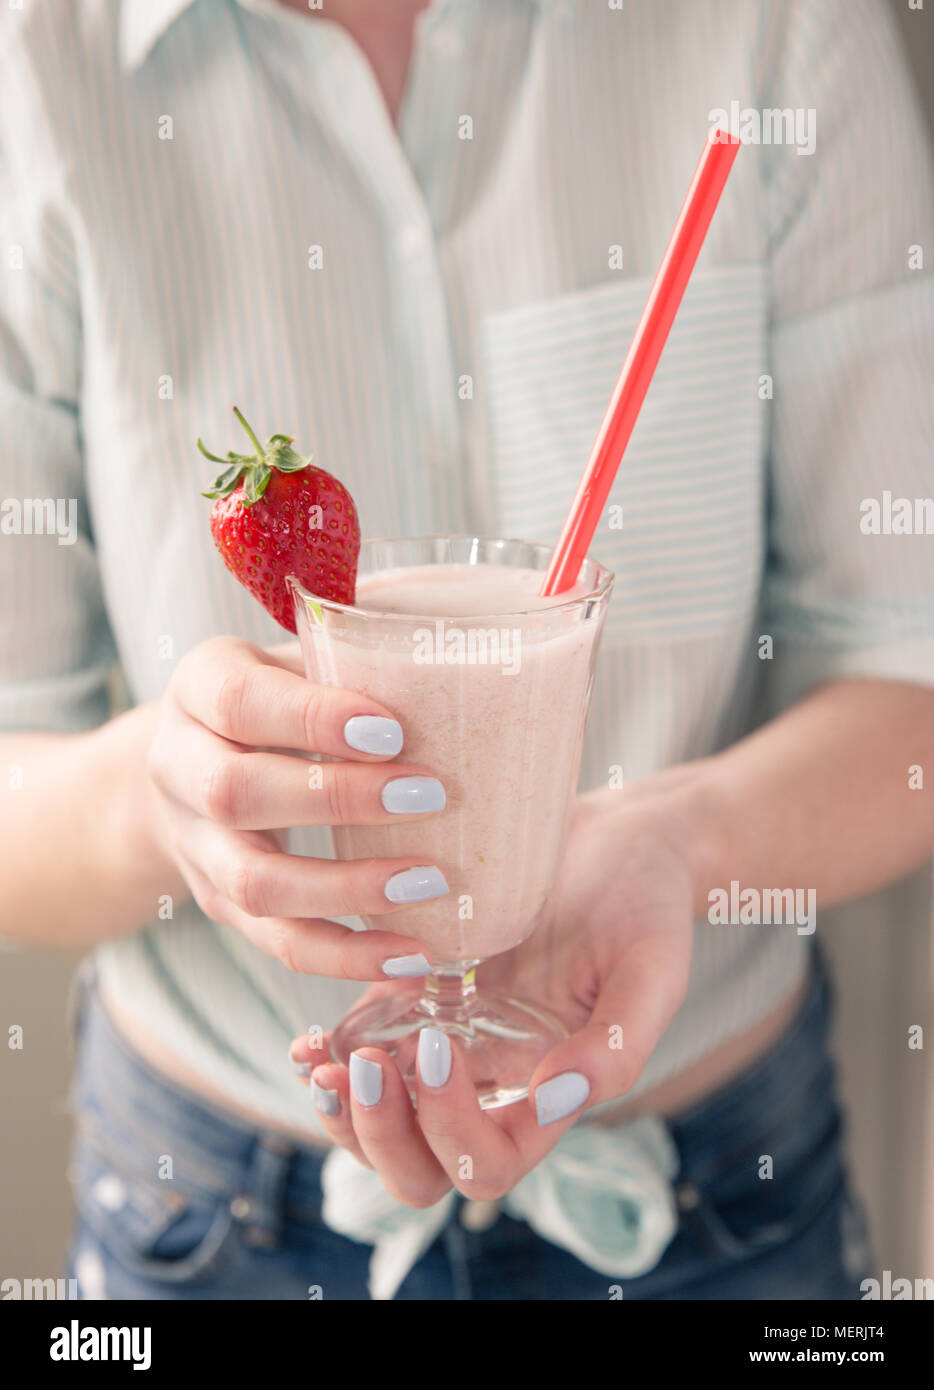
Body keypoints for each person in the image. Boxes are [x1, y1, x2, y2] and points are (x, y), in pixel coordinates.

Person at [1, 0, 932, 1301]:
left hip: (717, 1197)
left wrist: (677, 840)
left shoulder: (775, 26)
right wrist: (163, 797)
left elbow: (909, 671)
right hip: (208, 1221)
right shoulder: (38, 59)